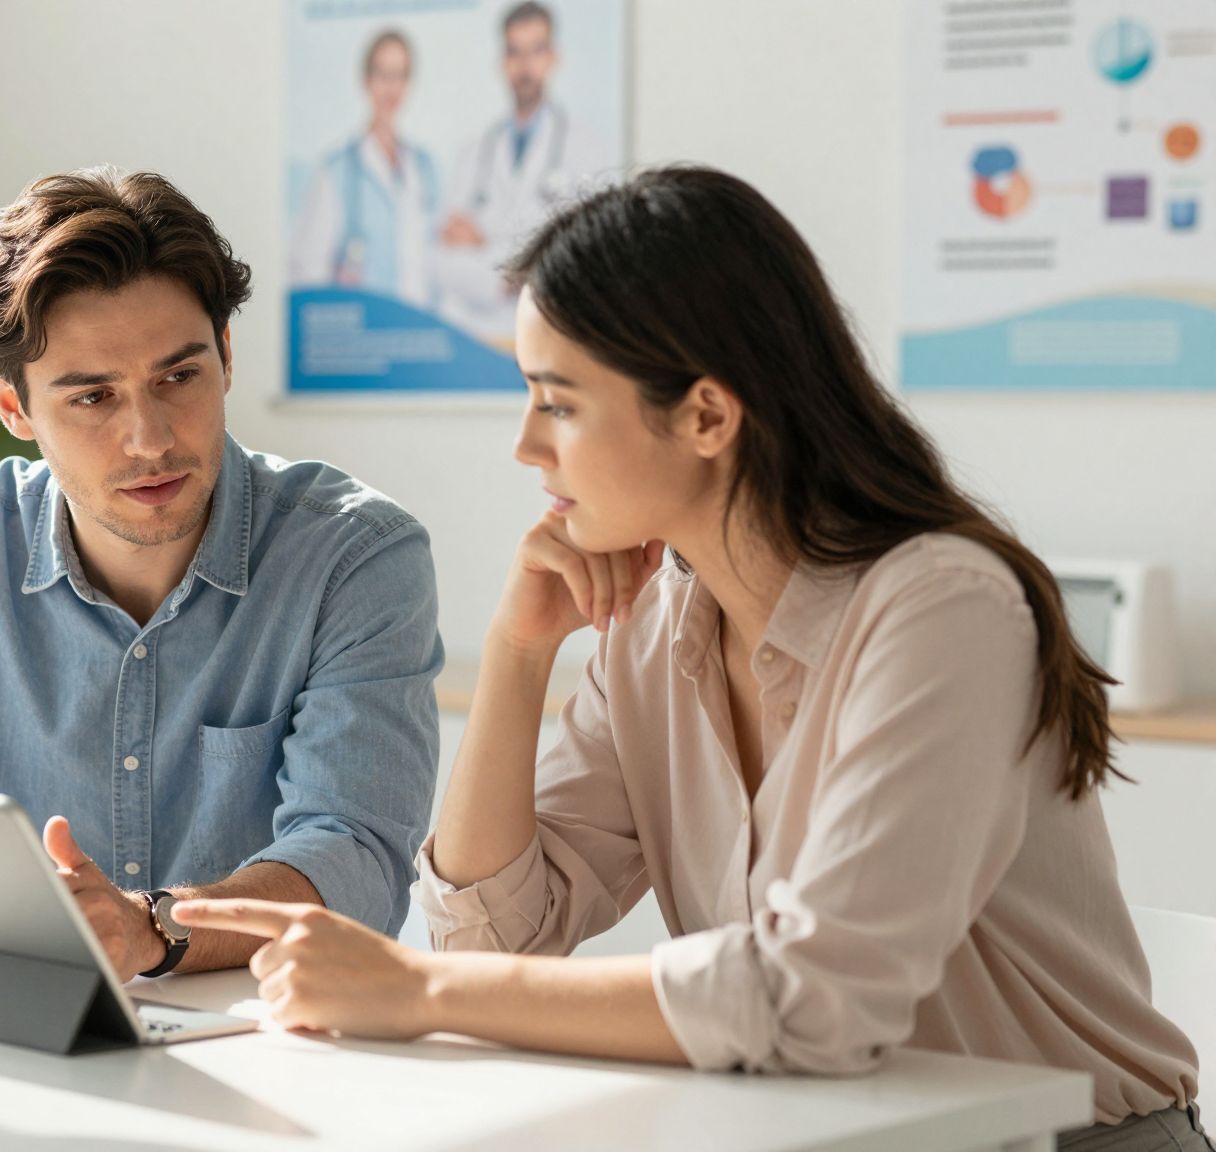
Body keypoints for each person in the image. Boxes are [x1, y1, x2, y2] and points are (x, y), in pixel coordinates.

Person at [177, 166, 1207, 1149]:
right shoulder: (656, 626)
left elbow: (815, 1002)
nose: (525, 446)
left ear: (707, 414)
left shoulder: (941, 606)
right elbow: (492, 942)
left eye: (559, 401)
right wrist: (516, 651)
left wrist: (414, 992)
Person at [0, 167, 442, 983]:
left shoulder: (353, 556)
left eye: (178, 377)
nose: (150, 438)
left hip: (276, 1034)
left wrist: (151, 930)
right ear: (12, 406)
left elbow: (357, 856)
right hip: (27, 1011)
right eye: (93, 398)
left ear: (225, 357)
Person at [436, 2, 599, 346]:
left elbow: (577, 256)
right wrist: (515, 270)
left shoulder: (583, 147)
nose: (525, 67)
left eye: (536, 51)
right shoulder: (473, 152)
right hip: (475, 337)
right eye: (514, 52)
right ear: (502, 62)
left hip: (550, 337)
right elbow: (445, 259)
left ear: (553, 58)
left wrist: (483, 244)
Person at [290, 29, 441, 309]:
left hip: (422, 329)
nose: (391, 88)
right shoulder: (335, 172)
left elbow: (432, 261)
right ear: (366, 80)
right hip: (363, 338)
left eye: (400, 75)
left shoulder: (423, 168)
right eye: (383, 74)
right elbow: (308, 273)